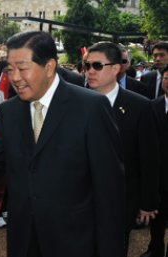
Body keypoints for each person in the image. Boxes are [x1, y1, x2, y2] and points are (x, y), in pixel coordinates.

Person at [0, 31, 125, 257]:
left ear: (50, 66)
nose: (14, 77)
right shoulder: (9, 111)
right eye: (10, 69)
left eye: (22, 68)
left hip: (74, 241)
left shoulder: (91, 108)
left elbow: (109, 189)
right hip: (23, 240)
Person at [85, 42, 160, 256]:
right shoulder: (74, 102)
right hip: (79, 200)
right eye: (87, 65)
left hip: (121, 201)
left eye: (97, 66)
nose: (90, 71)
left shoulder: (140, 106)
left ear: (116, 68)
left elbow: (149, 158)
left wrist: (147, 202)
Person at [142, 65, 168, 257]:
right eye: (166, 78)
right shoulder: (152, 106)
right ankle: (155, 248)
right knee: (158, 216)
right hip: (158, 172)